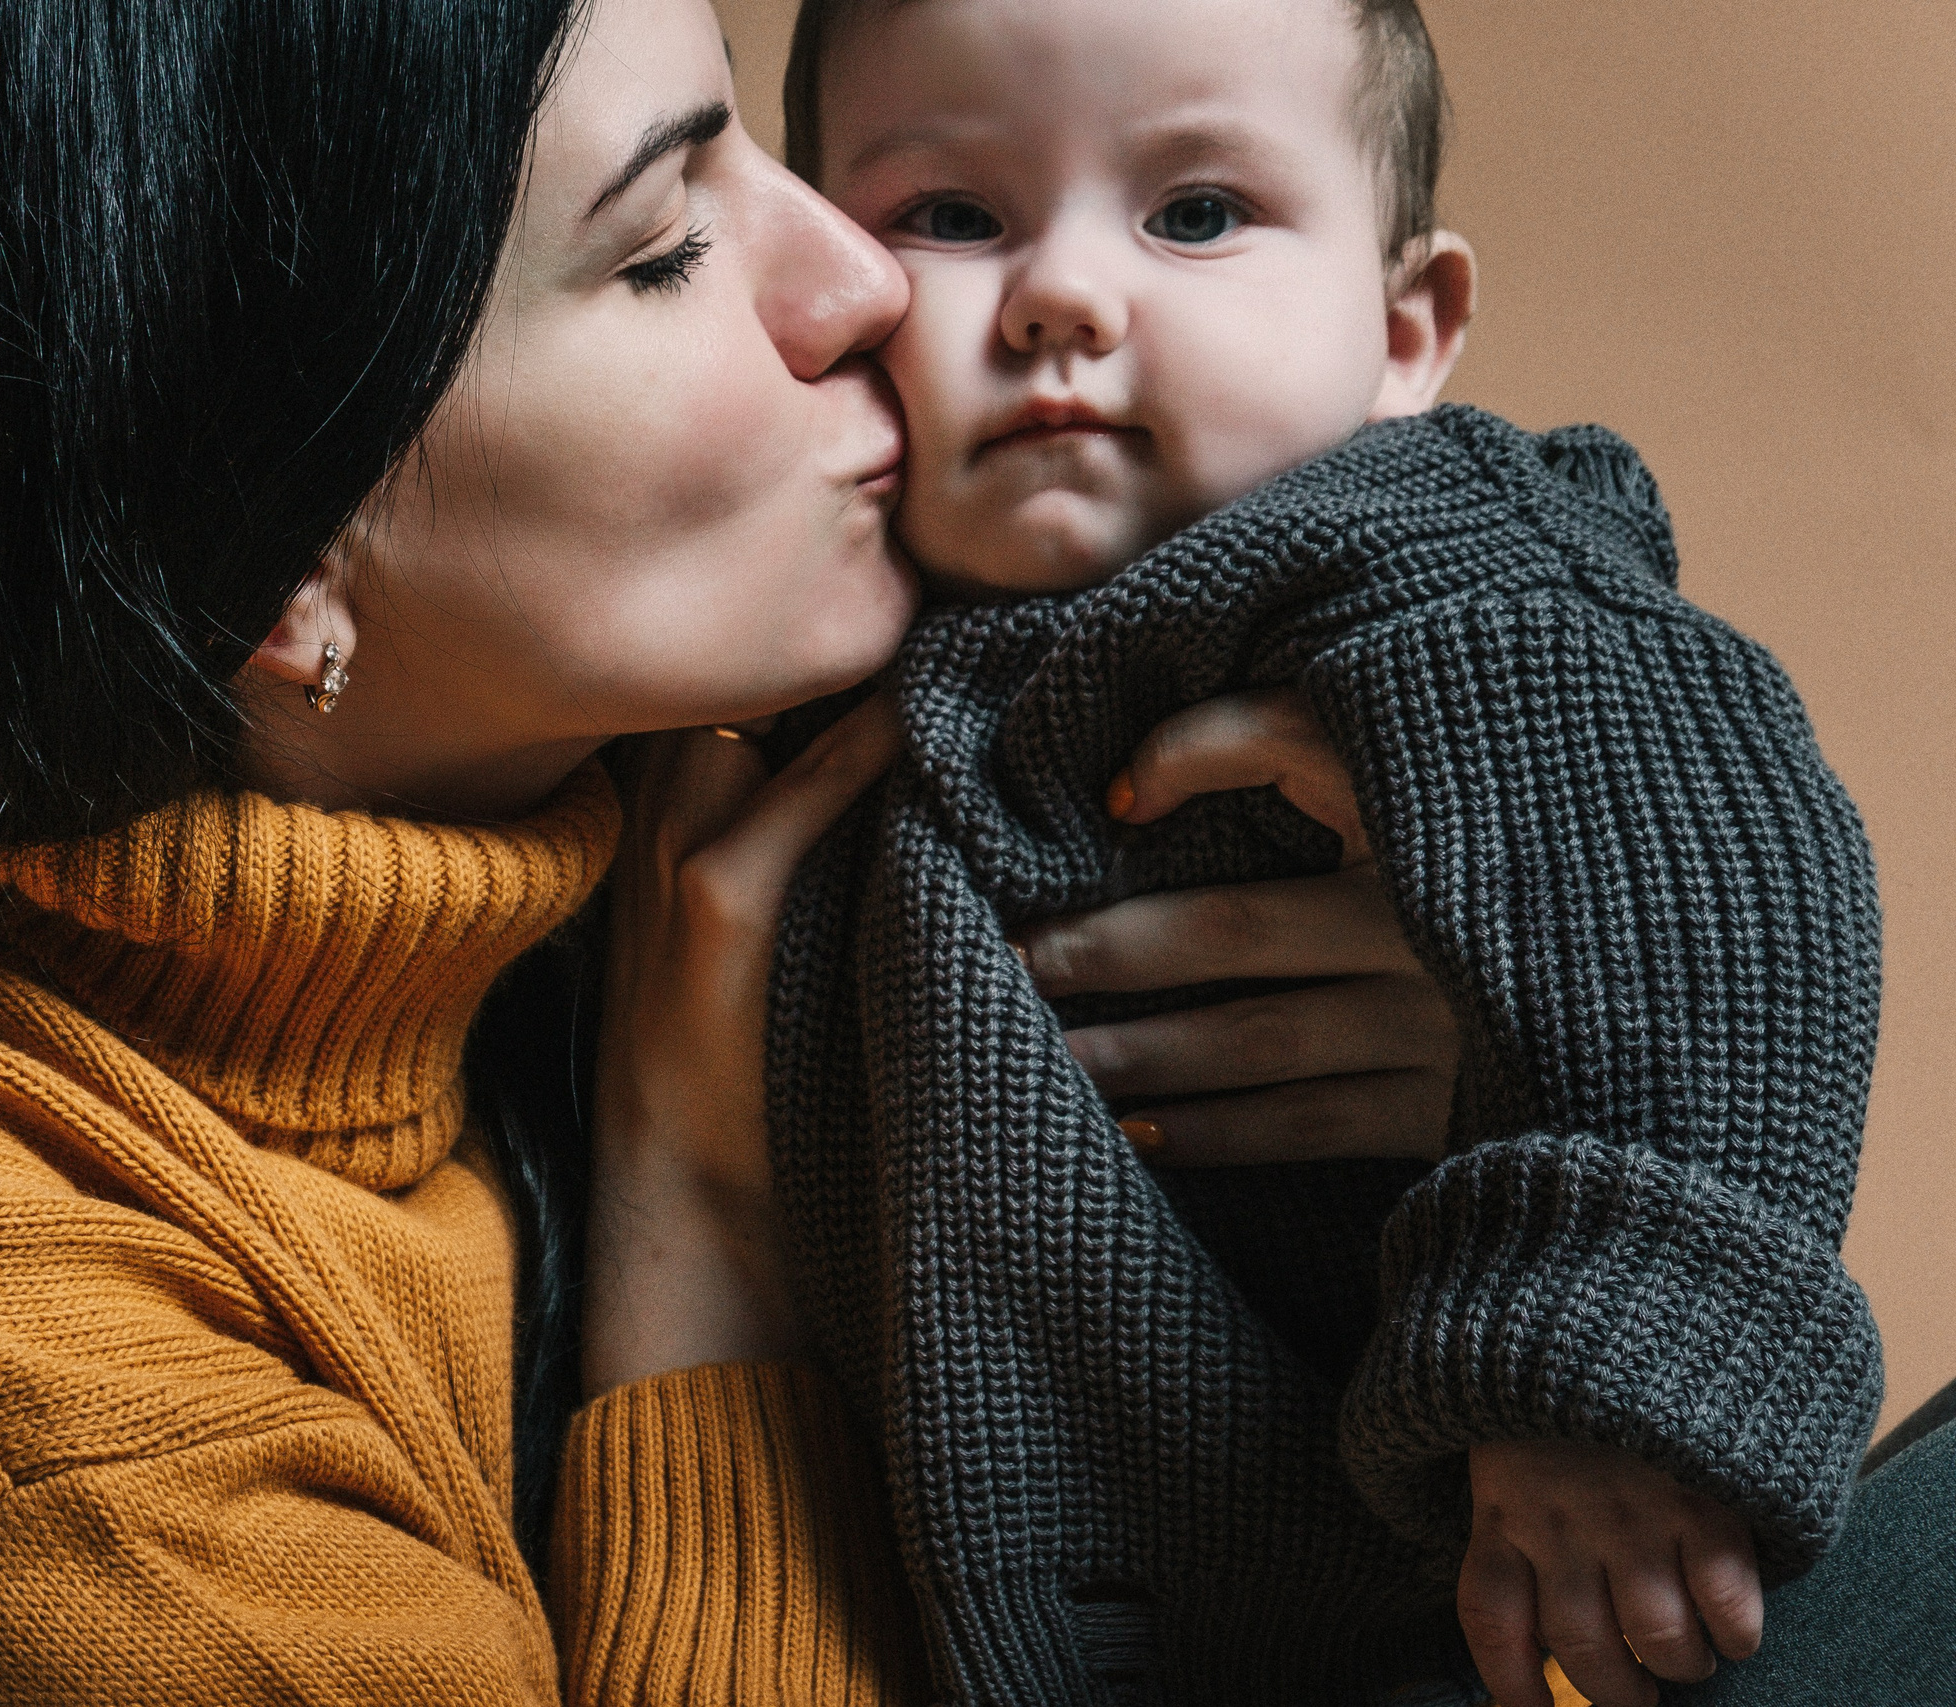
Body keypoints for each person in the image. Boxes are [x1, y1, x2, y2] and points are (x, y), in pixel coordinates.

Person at [0, 0, 1474, 1699]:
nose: (863, 278)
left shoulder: (721, 854)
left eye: (757, 145)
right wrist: (700, 1248)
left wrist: (1479, 1113)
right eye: (663, 246)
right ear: (267, 551)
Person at [766, 1, 1920, 1704]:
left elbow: (1714, 888)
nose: (1062, 295)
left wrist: (1586, 1371)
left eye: (1196, 213)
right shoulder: (788, 642)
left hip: (1400, 1599)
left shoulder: (1411, 557)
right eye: (949, 216)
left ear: (1403, 330)